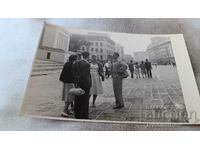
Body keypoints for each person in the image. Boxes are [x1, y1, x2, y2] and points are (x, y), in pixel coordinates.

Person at [73, 52, 91, 119]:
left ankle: (77, 115)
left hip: (77, 83)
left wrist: (76, 83)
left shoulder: (76, 63)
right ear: (88, 56)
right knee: (85, 100)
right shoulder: (87, 64)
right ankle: (84, 115)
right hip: (85, 84)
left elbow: (74, 73)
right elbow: (85, 75)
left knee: (77, 100)